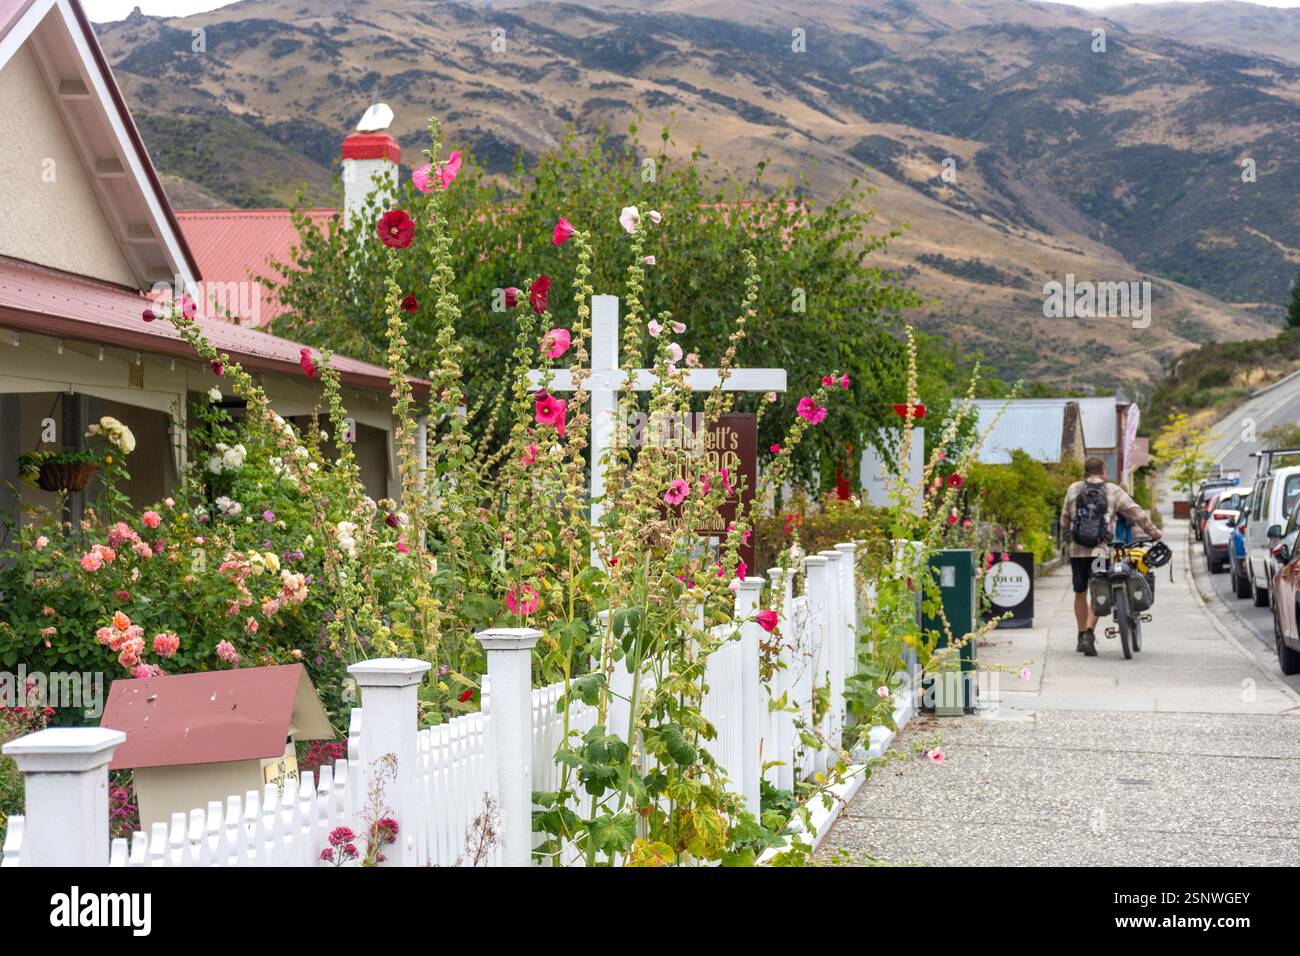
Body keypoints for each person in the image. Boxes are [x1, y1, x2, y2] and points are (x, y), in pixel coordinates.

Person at [1060, 456, 1161, 656]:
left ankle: (1080, 636)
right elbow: (1136, 513)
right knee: (1098, 588)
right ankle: (1089, 633)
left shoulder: (1073, 489)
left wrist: (1070, 531)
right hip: (1100, 550)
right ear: (1103, 472)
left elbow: (1064, 519)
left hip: (1077, 550)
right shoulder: (1112, 490)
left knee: (1080, 591)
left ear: (1085, 472)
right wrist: (1154, 533)